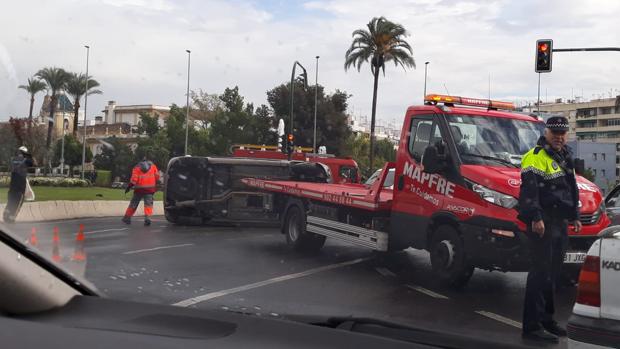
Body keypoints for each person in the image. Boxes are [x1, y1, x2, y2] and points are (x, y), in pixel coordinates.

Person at [517, 116, 582, 343]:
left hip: (559, 223)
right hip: (542, 222)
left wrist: (574, 215)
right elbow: (529, 191)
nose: (559, 137)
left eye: (563, 133)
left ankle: (546, 319)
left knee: (553, 274)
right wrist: (535, 216)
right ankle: (532, 326)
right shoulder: (534, 157)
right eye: (555, 133)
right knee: (540, 273)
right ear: (546, 133)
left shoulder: (565, 156)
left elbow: (571, 189)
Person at [122, 156, 160, 226]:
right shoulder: (153, 166)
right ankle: (147, 218)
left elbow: (134, 180)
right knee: (148, 205)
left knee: (133, 204)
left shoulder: (136, 168)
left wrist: (129, 187)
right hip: (150, 189)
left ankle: (127, 218)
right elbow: (157, 176)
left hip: (139, 189)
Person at [3, 146, 35, 223]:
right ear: (25, 153)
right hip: (20, 183)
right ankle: (11, 217)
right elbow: (32, 163)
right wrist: (29, 155)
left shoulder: (13, 159)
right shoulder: (26, 160)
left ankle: (6, 214)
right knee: (19, 201)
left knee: (11, 200)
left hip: (13, 183)